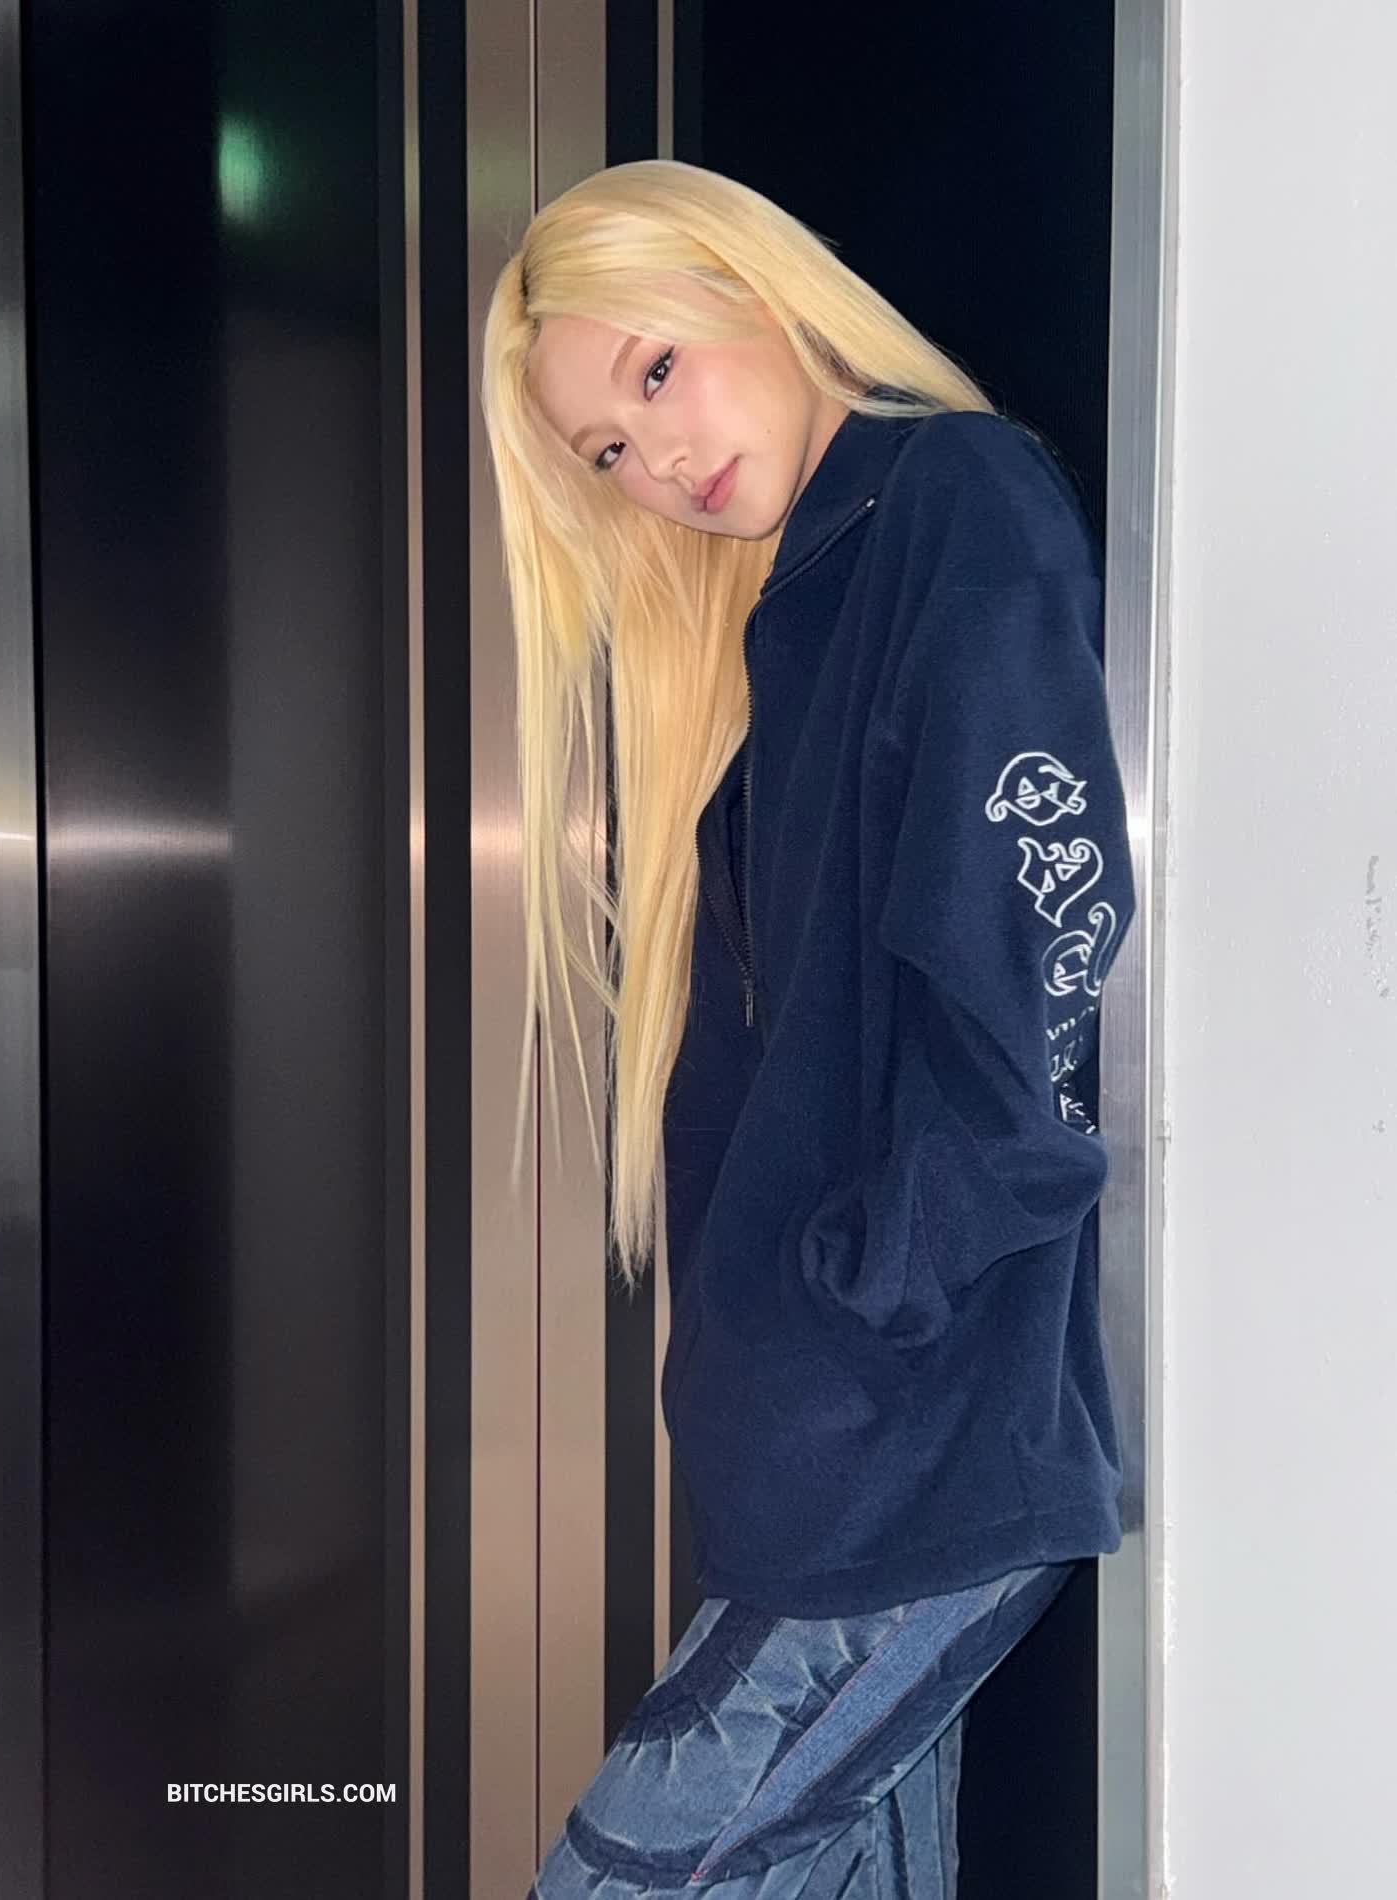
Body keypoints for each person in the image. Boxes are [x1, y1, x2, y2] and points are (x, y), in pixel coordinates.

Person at [480, 158, 1136, 1899]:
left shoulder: (951, 502)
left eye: (654, 370)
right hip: (814, 1435)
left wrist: (868, 1291)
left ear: (751, 284)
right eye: (606, 450)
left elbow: (1026, 949)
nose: (657, 458)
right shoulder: (782, 613)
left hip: (906, 1428)